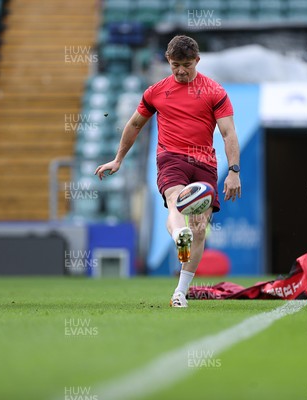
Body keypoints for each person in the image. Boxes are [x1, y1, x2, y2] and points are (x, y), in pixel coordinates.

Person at [95, 35, 241, 307]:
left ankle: (180, 292)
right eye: (175, 65)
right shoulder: (155, 92)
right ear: (167, 60)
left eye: (186, 64)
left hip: (205, 163)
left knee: (200, 227)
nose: (181, 71)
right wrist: (118, 159)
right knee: (175, 201)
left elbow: (228, 132)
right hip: (171, 158)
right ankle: (178, 236)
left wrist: (234, 171)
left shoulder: (215, 92)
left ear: (197, 60)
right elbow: (135, 124)